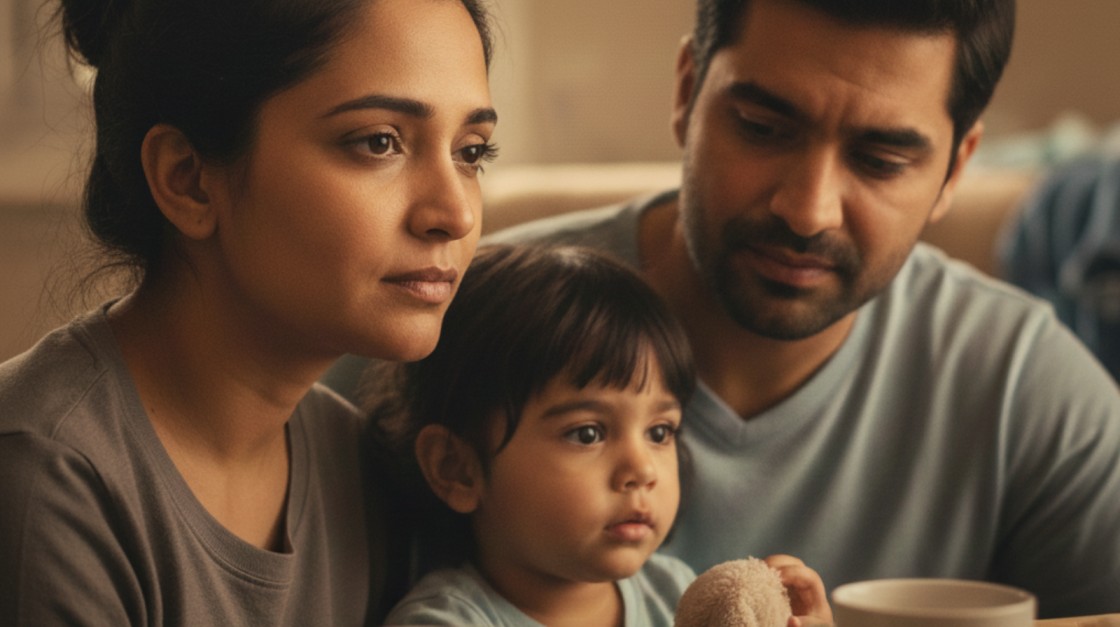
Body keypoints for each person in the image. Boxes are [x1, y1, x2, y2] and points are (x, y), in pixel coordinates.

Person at [486, 0, 1120, 619]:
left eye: (881, 162)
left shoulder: (1024, 385)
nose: (808, 209)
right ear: (686, 93)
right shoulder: (465, 321)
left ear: (956, 169)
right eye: (763, 129)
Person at [0, 0, 496, 624]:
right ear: (188, 180)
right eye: (379, 142)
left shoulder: (364, 471)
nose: (456, 215)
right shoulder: (43, 477)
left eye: (472, 152)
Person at [366, 244, 833, 627]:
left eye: (659, 431)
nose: (641, 470)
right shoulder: (444, 622)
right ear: (458, 468)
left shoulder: (677, 596)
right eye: (587, 433)